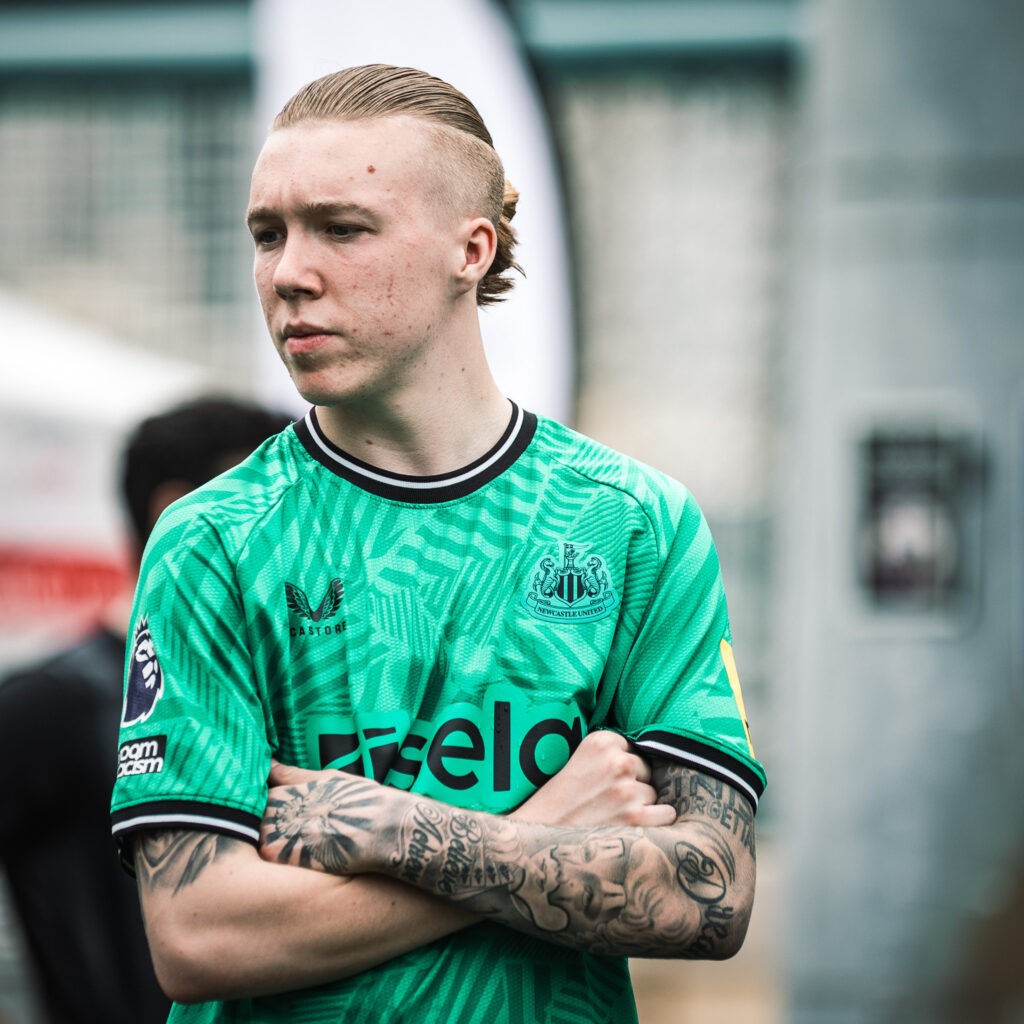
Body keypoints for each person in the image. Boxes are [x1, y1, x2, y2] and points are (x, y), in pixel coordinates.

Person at [109, 64, 767, 1023]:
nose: (288, 272)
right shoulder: (212, 539)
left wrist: (391, 826)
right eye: (268, 233)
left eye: (342, 228)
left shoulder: (632, 522)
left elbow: (710, 896)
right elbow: (200, 937)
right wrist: (541, 831)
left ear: (472, 249)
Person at [0, 396, 292, 1024]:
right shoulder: (52, 706)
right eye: (270, 506)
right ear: (176, 512)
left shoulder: (281, 691)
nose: (297, 535)